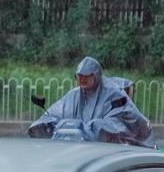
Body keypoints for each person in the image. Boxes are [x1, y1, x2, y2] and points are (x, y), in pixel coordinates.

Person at [27, 56, 155, 148]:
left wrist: (88, 129)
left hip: (109, 153)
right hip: (75, 150)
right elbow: (55, 113)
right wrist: (46, 126)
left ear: (96, 76)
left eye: (86, 76)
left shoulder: (113, 93)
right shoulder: (74, 94)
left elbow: (121, 122)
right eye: (79, 76)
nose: (81, 79)